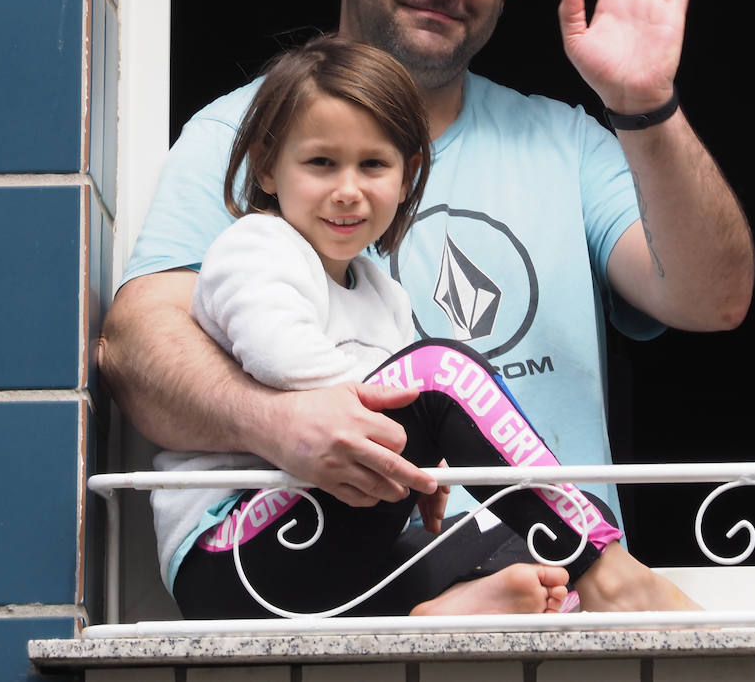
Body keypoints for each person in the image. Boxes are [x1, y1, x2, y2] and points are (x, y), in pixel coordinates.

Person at [98, 0, 753, 611]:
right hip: (304, 569)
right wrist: (285, 424)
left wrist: (645, 104)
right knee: (432, 379)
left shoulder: (569, 142)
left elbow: (713, 299)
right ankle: (592, 566)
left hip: (536, 604)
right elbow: (136, 352)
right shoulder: (240, 138)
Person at [156, 35, 685, 616]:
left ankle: (430, 608)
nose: (349, 190)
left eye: (373, 165)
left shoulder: (381, 290)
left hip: (329, 544)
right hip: (237, 551)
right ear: (268, 166)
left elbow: (395, 420)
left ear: (406, 178)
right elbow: (284, 363)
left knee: (526, 543)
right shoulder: (255, 247)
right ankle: (609, 569)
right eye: (321, 163)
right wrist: (417, 431)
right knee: (440, 371)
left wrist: (425, 479)